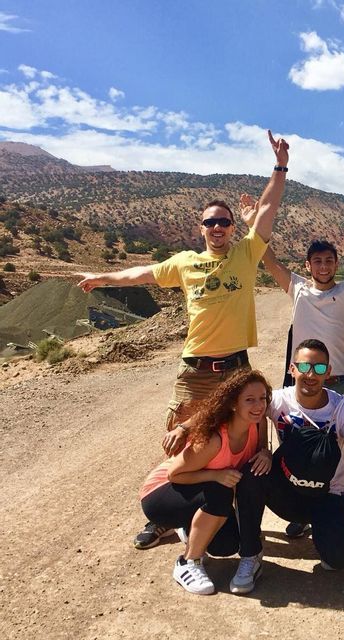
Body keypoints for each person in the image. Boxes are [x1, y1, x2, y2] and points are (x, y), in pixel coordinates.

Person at [78, 130, 289, 550]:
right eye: (210, 221)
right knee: (182, 443)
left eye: (224, 221)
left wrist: (280, 168)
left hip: (234, 367)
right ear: (201, 227)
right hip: (194, 371)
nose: (217, 227)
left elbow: (267, 209)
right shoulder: (186, 263)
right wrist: (103, 277)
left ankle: (235, 512)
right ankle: (167, 517)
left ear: (232, 227)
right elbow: (141, 273)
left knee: (242, 441)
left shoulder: (246, 254)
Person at [240, 199, 344, 539]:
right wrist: (252, 225)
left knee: (339, 449)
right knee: (294, 442)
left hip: (340, 381)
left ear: (336, 263)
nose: (324, 266)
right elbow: (266, 258)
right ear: (308, 265)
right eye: (317, 261)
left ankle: (328, 501)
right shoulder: (297, 288)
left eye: (329, 260)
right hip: (303, 377)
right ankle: (298, 503)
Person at [237, 339, 344, 570]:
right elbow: (243, 412)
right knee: (251, 473)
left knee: (338, 560)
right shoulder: (278, 401)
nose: (310, 374)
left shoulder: (341, 408)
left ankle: (323, 527)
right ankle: (250, 554)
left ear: (328, 373)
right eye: (304, 367)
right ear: (293, 369)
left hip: (328, 494)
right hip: (286, 490)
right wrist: (263, 449)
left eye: (319, 368)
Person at [139, 370, 273, 595]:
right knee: (220, 492)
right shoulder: (214, 439)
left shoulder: (257, 424)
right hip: (161, 493)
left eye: (262, 398)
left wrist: (267, 454)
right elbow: (174, 474)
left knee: (226, 546)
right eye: (249, 400)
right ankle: (188, 562)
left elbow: (259, 451)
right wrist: (215, 476)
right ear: (233, 405)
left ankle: (189, 526)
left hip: (200, 491)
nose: (258, 405)